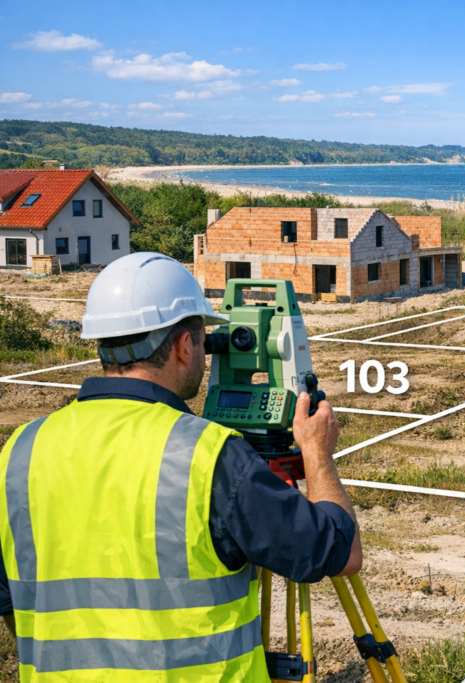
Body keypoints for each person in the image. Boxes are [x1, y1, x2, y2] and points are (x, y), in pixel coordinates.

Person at [0, 252, 361, 681]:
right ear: (184, 347)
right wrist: (317, 452)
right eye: (204, 340)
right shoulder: (210, 457)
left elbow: (10, 602)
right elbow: (338, 552)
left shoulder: (19, 452)